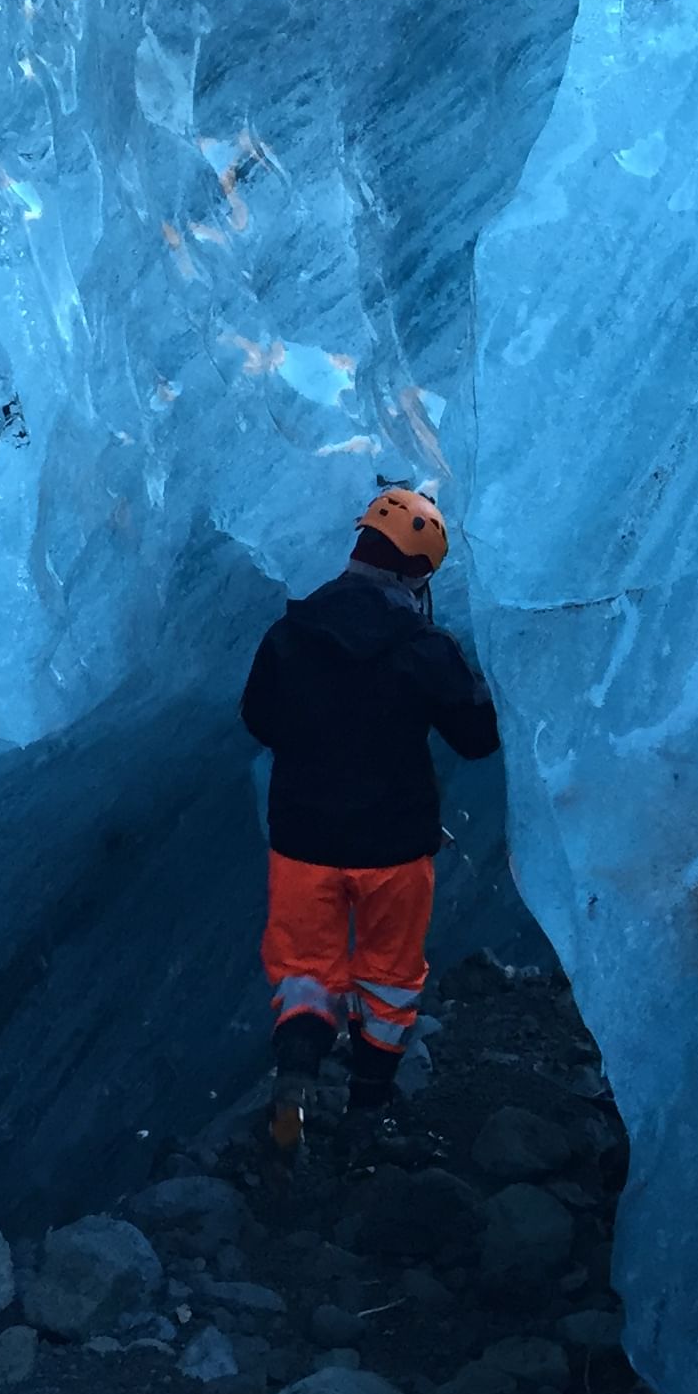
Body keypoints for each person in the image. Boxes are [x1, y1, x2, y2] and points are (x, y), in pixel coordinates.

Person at [238, 487, 500, 1151]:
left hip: (303, 840)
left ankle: (294, 1083)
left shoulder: (290, 633)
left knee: (305, 969)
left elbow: (258, 721)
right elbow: (475, 737)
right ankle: (366, 1116)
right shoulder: (424, 647)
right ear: (418, 572)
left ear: (357, 550)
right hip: (394, 848)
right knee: (387, 979)